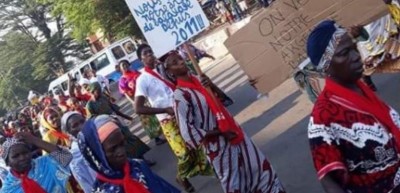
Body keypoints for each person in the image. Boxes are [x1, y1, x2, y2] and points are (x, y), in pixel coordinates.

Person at [164, 52, 286, 193]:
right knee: (234, 183)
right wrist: (221, 133)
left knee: (259, 169)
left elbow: (224, 100)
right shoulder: (180, 96)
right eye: (174, 63)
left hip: (235, 132)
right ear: (169, 72)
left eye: (180, 59)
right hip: (218, 147)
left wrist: (212, 85)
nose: (180, 62)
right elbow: (188, 133)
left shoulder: (200, 79)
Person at [306, 20, 400, 193]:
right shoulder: (323, 118)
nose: (356, 56)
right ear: (326, 65)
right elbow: (329, 182)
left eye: (354, 48)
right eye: (344, 53)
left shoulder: (364, 92)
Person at [135, 44, 213, 192]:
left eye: (151, 51)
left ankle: (214, 170)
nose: (150, 55)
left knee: (197, 143)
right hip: (167, 120)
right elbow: (138, 108)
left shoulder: (164, 69)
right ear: (141, 59)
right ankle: (182, 178)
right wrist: (164, 109)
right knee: (183, 153)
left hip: (182, 112)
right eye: (146, 53)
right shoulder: (142, 80)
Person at [78, 115, 181, 193]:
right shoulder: (102, 190)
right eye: (113, 149)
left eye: (122, 144)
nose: (121, 151)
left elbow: (165, 189)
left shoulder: (138, 166)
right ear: (97, 156)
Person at [0, 132, 73, 193]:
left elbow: (66, 157)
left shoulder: (44, 163)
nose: (22, 158)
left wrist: (34, 140)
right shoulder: (8, 189)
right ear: (7, 162)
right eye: (16, 156)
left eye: (25, 153)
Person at [118, 60, 166, 145]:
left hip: (146, 96)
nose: (125, 67)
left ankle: (164, 132)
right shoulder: (122, 80)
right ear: (121, 69)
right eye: (123, 66)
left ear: (129, 65)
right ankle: (156, 138)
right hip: (137, 100)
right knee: (147, 120)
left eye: (126, 65)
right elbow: (126, 94)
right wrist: (133, 102)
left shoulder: (136, 72)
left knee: (156, 114)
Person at [61, 112, 96, 193]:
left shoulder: (98, 137)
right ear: (68, 132)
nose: (81, 126)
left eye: (82, 121)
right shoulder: (75, 156)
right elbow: (86, 184)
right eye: (75, 126)